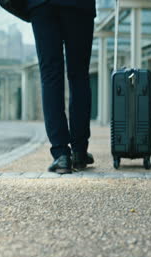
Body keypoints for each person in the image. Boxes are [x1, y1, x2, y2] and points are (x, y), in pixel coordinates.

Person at [28, 0, 96, 174]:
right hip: (78, 6)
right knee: (79, 75)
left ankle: (61, 154)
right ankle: (79, 152)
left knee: (50, 76)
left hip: (42, 5)